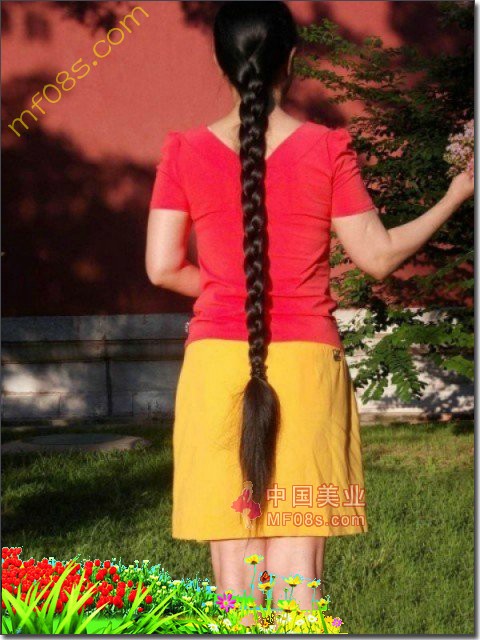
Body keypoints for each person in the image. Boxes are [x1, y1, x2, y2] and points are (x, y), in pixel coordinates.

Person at [145, 1, 474, 617]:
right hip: (307, 368)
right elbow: (377, 256)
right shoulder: (326, 147)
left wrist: (231, 290)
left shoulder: (183, 150)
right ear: (291, 61)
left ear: (221, 62)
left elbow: (162, 267)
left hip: (215, 367)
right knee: (298, 580)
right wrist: (457, 194)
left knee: (236, 584)